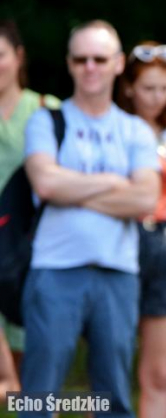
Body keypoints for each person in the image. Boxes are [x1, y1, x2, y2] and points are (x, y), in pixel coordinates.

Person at [23, 20, 160, 416]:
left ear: (118, 64)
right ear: (69, 63)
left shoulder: (135, 129)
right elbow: (46, 185)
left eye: (99, 59)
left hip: (118, 273)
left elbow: (146, 197)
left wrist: (74, 189)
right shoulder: (46, 120)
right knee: (38, 398)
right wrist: (112, 183)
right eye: (81, 59)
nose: (90, 67)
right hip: (53, 268)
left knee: (113, 398)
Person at [116, 41, 166, 418]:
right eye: (148, 88)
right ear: (129, 87)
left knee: (159, 373)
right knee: (109, 371)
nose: (157, 97)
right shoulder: (113, 127)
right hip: (121, 238)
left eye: (164, 88)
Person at [0, 20, 60, 381]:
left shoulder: (46, 108)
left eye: (1, 55)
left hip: (28, 246)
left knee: (32, 370)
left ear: (19, 57)